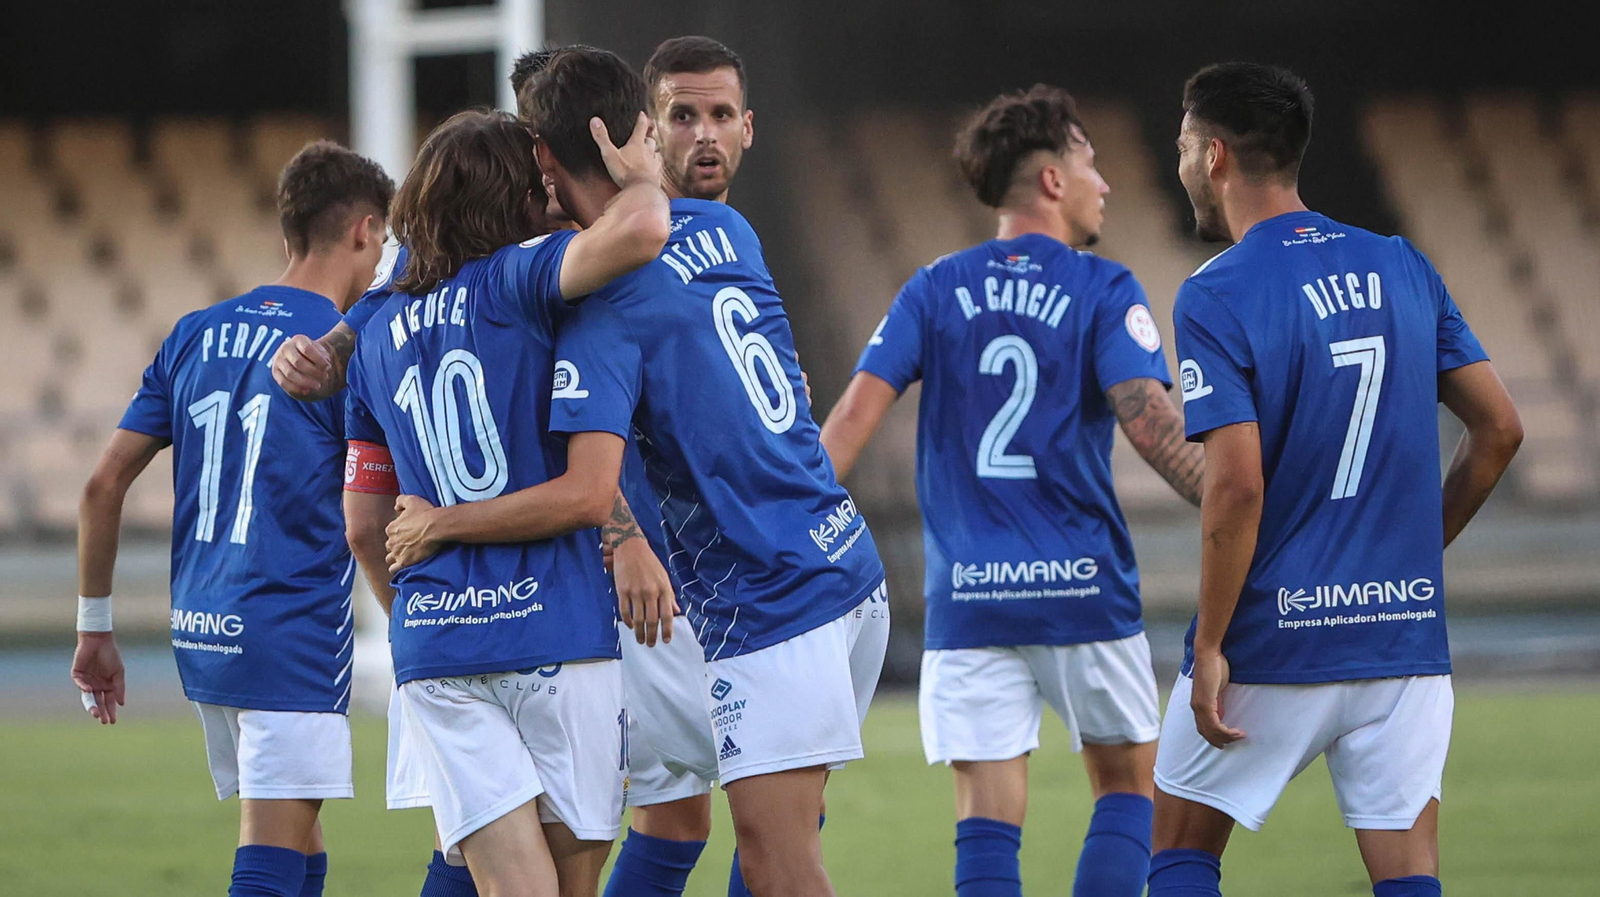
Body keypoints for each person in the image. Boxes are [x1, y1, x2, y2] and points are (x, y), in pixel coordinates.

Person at [514, 46, 890, 897]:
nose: (704, 136)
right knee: (681, 806)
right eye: (682, 117)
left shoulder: (590, 302)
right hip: (835, 562)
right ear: (642, 137)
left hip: (760, 596)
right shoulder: (727, 231)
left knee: (773, 859)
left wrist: (623, 540)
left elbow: (580, 460)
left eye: (718, 116)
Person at [1146, 63, 1523, 897]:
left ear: (1213, 156)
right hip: (1402, 636)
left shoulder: (1216, 291)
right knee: (1408, 875)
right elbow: (1500, 429)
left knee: (1178, 845)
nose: (1180, 167)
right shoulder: (1402, 263)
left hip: (1276, 635)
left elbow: (1235, 486)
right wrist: (1413, 555)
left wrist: (1209, 644)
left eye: (1180, 147)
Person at [819, 85, 1201, 897]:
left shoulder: (931, 288)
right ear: (1054, 180)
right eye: (1091, 163)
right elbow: (1151, 427)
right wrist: (1246, 507)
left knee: (985, 825)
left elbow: (851, 420)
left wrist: (783, 526)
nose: (1105, 183)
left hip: (970, 595)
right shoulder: (1103, 287)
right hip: (1082, 588)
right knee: (1130, 790)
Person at [339, 108, 669, 897]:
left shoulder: (374, 332)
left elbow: (363, 525)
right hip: (557, 631)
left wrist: (422, 608)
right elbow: (642, 230)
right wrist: (640, 176)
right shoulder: (525, 278)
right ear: (515, 198)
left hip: (441, 646)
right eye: (540, 185)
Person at [71, 141, 394, 897]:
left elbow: (101, 483)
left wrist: (94, 626)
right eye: (381, 241)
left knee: (300, 841)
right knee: (269, 857)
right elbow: (375, 507)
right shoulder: (343, 351)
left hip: (205, 630)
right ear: (364, 231)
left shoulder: (192, 333)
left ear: (289, 233)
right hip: (288, 629)